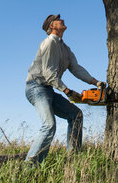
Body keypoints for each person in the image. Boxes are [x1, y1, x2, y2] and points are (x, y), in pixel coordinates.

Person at [25, 14, 105, 164]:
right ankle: (30, 166)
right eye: (57, 19)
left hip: (48, 89)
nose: (61, 19)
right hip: (36, 87)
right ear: (52, 26)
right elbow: (49, 73)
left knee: (76, 115)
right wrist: (66, 91)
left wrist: (95, 82)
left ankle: (72, 160)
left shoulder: (65, 48)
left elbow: (76, 68)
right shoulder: (49, 43)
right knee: (49, 125)